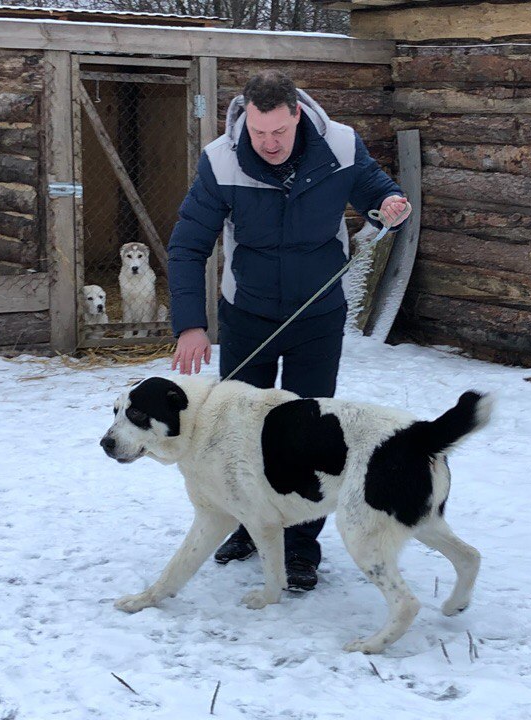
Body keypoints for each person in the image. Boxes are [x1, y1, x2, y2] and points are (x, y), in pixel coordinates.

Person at [166, 70, 411, 591]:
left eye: (278, 131)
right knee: (238, 431)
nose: (269, 143)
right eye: (258, 132)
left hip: (317, 314)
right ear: (245, 120)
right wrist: (190, 325)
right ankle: (248, 529)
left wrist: (389, 204)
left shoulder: (340, 143)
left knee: (305, 431)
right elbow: (188, 245)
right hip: (247, 313)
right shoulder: (221, 158)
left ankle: (301, 545)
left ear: (297, 114)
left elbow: (376, 192)